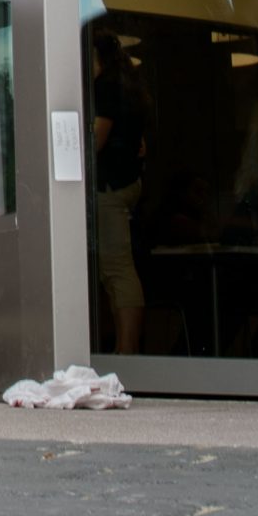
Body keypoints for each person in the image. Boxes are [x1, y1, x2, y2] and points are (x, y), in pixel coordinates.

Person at [91, 29, 150, 355]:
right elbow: (141, 144)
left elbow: (96, 140)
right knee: (113, 269)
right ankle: (124, 349)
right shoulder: (129, 86)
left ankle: (126, 352)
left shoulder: (105, 86)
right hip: (128, 183)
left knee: (116, 268)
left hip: (110, 187)